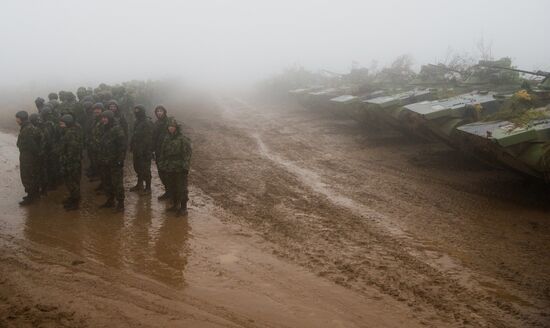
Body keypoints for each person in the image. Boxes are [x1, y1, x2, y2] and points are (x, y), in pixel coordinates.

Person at [158, 118, 192, 217]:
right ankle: (175, 205)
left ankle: (183, 208)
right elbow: (162, 153)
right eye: (169, 126)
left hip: (179, 168)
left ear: (176, 128)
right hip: (169, 167)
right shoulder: (166, 138)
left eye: (173, 126)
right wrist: (162, 165)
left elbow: (187, 154)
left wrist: (185, 167)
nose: (171, 128)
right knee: (172, 187)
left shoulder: (183, 139)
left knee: (181, 188)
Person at [97, 110, 127, 212]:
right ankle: (110, 200)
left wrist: (120, 160)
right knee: (106, 182)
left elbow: (122, 146)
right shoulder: (102, 128)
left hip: (114, 161)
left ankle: (121, 203)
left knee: (117, 183)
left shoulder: (117, 129)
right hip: (104, 161)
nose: (103, 120)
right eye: (102, 118)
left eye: (105, 118)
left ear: (110, 118)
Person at [15, 111, 41, 205]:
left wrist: (33, 155)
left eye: (17, 118)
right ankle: (35, 194)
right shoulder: (29, 127)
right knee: (32, 174)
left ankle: (31, 196)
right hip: (30, 155)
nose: (16, 120)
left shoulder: (26, 129)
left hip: (28, 155)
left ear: (21, 118)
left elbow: (32, 145)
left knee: (27, 175)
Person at [59, 114, 83, 210]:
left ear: (67, 123)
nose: (60, 125)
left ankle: (75, 203)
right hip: (71, 161)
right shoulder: (70, 131)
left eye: (62, 124)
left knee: (73, 182)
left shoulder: (71, 134)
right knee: (71, 182)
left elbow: (72, 152)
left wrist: (67, 163)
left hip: (72, 163)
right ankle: (73, 198)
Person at [129, 105, 153, 194]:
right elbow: (134, 134)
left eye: (138, 110)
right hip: (137, 149)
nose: (136, 112)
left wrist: (147, 151)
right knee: (137, 167)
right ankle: (139, 185)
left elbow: (149, 139)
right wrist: (131, 145)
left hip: (145, 151)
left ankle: (148, 188)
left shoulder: (147, 122)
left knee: (146, 169)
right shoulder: (136, 121)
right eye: (135, 110)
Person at [152, 105, 170, 199]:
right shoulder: (156, 123)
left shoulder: (169, 122)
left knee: (168, 173)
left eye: (161, 111)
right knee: (161, 173)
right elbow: (153, 138)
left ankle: (172, 193)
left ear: (164, 112)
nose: (159, 112)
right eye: (157, 111)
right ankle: (168, 192)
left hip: (167, 152)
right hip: (158, 152)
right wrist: (153, 150)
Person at [29, 113, 49, 195]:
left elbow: (40, 141)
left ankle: (41, 189)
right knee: (42, 171)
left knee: (38, 171)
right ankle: (43, 189)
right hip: (43, 152)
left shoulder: (37, 128)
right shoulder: (43, 126)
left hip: (39, 153)